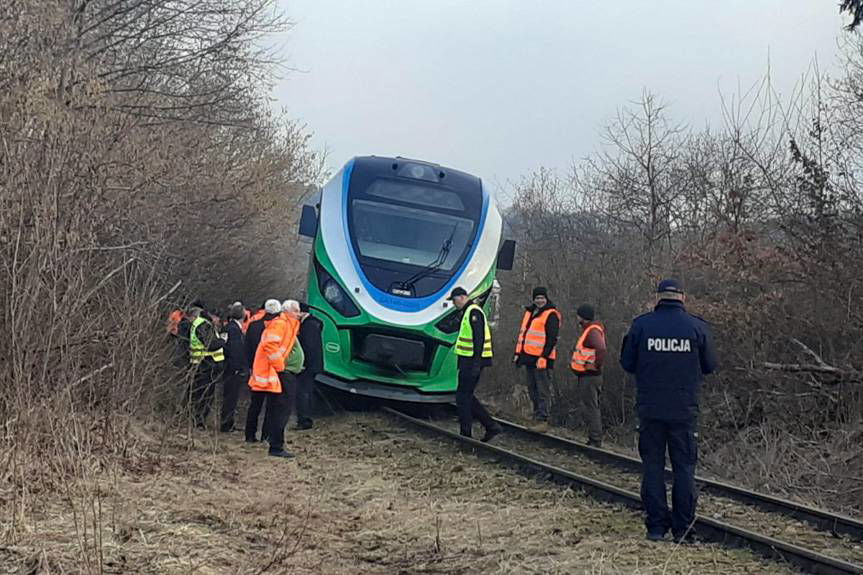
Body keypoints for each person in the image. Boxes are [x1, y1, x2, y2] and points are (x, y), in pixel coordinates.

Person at [620, 279, 717, 543]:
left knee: (652, 467)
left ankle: (656, 527)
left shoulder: (641, 325)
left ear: (658, 298)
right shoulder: (697, 327)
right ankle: (683, 529)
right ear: (683, 298)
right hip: (684, 411)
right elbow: (710, 365)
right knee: (684, 469)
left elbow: (627, 363)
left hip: (650, 408)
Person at [246, 299, 302, 458]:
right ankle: (276, 446)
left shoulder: (287, 324)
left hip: (275, 372)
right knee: (280, 410)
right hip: (276, 372)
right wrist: (280, 367)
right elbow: (270, 345)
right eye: (296, 311)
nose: (299, 314)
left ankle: (274, 442)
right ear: (288, 311)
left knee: (277, 409)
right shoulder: (281, 324)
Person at [450, 287, 502, 442]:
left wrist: (476, 364)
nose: (454, 304)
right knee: (466, 396)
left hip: (472, 361)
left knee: (463, 397)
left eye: (454, 301)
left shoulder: (474, 312)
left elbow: (478, 339)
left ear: (462, 297)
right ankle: (490, 426)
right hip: (468, 360)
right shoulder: (468, 311)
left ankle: (466, 434)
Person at [513, 286, 561, 431]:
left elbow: (552, 339)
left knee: (543, 390)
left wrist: (544, 357)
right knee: (532, 388)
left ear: (546, 298)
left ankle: (543, 419)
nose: (539, 301)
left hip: (542, 359)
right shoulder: (530, 312)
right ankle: (536, 415)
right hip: (529, 357)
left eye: (542, 298)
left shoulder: (551, 315)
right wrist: (518, 354)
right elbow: (523, 335)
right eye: (537, 298)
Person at [244, 299, 282, 444]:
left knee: (255, 406)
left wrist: (250, 367)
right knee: (271, 407)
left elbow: (247, 347)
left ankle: (249, 435)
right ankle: (266, 436)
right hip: (272, 372)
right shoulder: (276, 327)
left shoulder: (253, 326)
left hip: (257, 372)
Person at [570, 304, 607, 447]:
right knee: (590, 405)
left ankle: (595, 438)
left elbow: (601, 348)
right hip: (587, 376)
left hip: (590, 376)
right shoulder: (590, 330)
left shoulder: (592, 331)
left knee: (591, 407)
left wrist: (595, 365)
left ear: (582, 317)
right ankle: (594, 437)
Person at [187, 305, 226, 428]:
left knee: (200, 394)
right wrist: (223, 341)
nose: (218, 321)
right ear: (213, 316)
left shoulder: (200, 323)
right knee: (205, 395)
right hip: (205, 364)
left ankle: (197, 420)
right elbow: (210, 345)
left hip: (200, 363)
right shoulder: (204, 325)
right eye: (218, 318)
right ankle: (199, 421)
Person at [221, 302, 248, 432]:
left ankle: (228, 422)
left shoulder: (228, 327)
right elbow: (235, 350)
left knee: (230, 396)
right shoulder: (234, 330)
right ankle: (226, 424)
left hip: (228, 366)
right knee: (230, 397)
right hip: (232, 368)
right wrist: (237, 368)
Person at [295, 303, 323, 430]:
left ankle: (304, 420)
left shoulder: (308, 326)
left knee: (302, 392)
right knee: (308, 391)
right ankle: (307, 418)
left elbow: (308, 347)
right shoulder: (314, 323)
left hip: (307, 366)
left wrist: (303, 364)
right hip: (314, 364)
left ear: (301, 312)